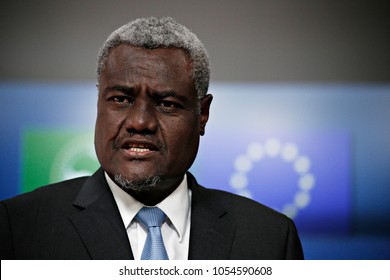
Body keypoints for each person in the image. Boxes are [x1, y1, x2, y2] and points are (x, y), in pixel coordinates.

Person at [0, 17, 304, 260]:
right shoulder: (18, 228)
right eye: (120, 99)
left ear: (203, 114)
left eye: (167, 104)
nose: (140, 122)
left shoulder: (270, 239)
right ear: (99, 104)